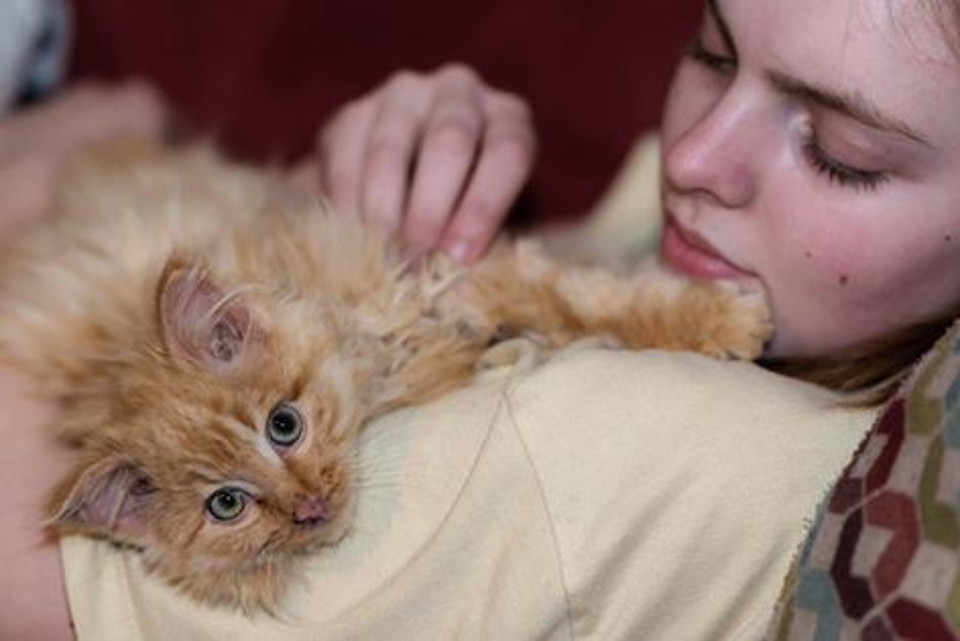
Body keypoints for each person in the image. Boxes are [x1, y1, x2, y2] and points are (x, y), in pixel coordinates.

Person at [2, 0, 959, 638]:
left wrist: (52, 157)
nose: (695, 156)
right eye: (712, 52)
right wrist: (342, 181)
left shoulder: (574, 458)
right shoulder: (739, 269)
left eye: (842, 152)